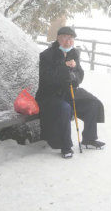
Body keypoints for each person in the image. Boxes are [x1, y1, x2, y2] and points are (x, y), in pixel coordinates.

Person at [35, 26, 105, 158]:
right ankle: (66, 146)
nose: (68, 42)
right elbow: (47, 77)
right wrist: (64, 67)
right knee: (65, 108)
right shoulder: (46, 55)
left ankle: (89, 139)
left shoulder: (74, 53)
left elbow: (80, 74)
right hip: (50, 94)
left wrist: (74, 77)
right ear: (58, 38)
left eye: (71, 39)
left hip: (69, 92)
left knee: (93, 103)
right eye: (65, 38)